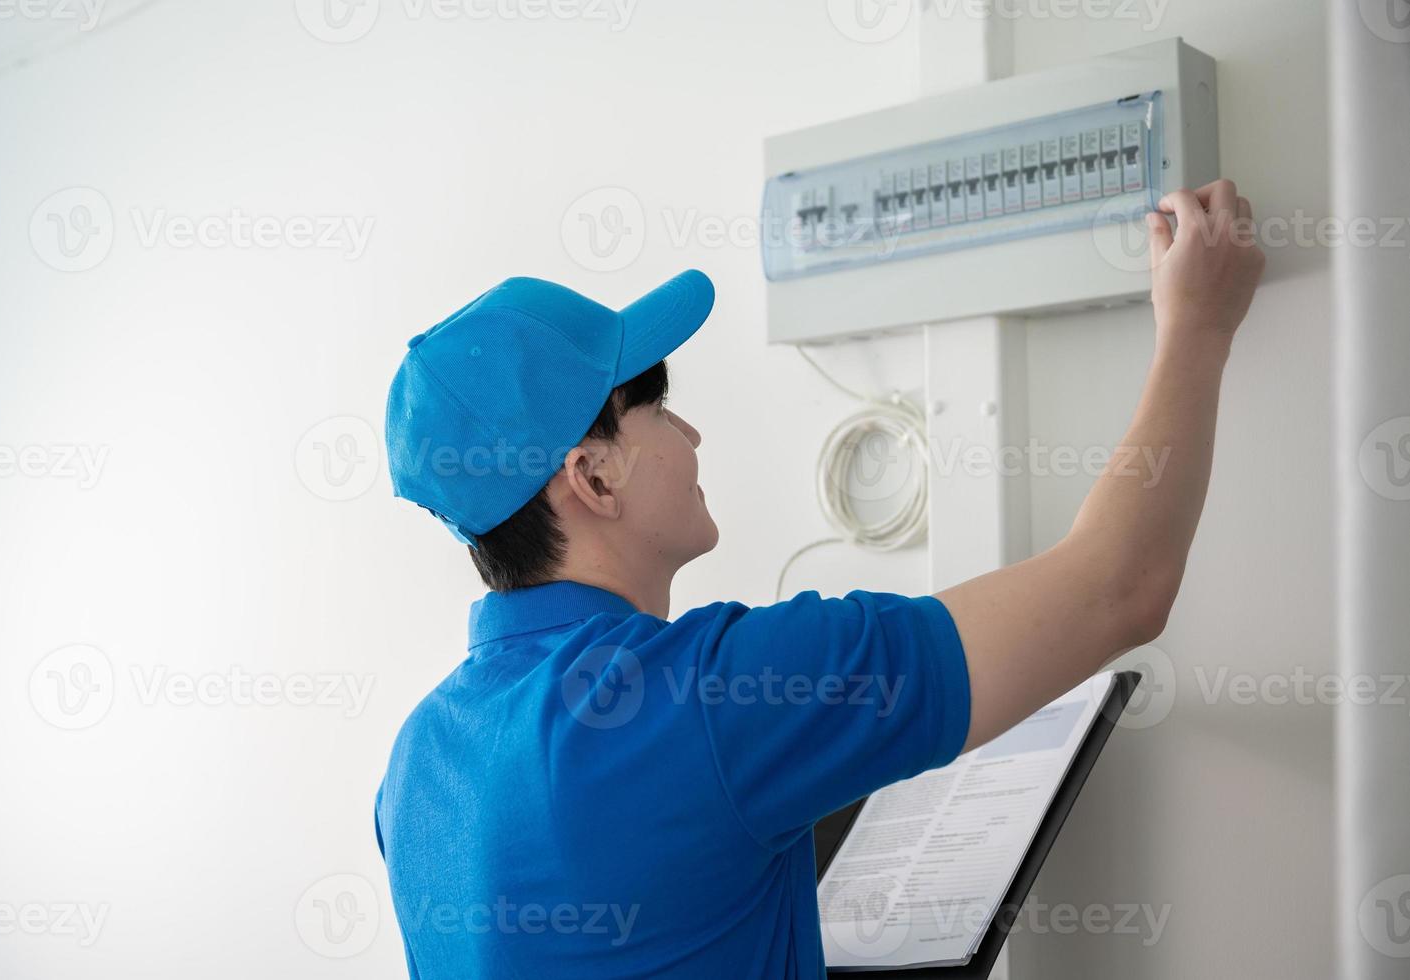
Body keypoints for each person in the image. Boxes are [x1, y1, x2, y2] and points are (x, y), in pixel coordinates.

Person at [374, 180, 1265, 978]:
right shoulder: (713, 698)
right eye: (657, 409)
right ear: (594, 476)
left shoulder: (418, 762)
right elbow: (1119, 585)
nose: (690, 439)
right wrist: (1197, 326)